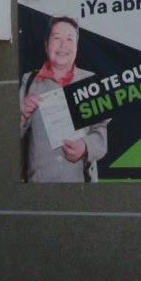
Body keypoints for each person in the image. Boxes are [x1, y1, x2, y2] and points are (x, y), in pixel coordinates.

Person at [19, 16, 103, 183]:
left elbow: (101, 132)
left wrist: (86, 147)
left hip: (81, 187)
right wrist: (21, 115)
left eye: (69, 39)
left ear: (77, 46)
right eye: (56, 38)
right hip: (39, 186)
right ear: (46, 45)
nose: (63, 46)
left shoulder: (91, 82)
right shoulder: (29, 81)